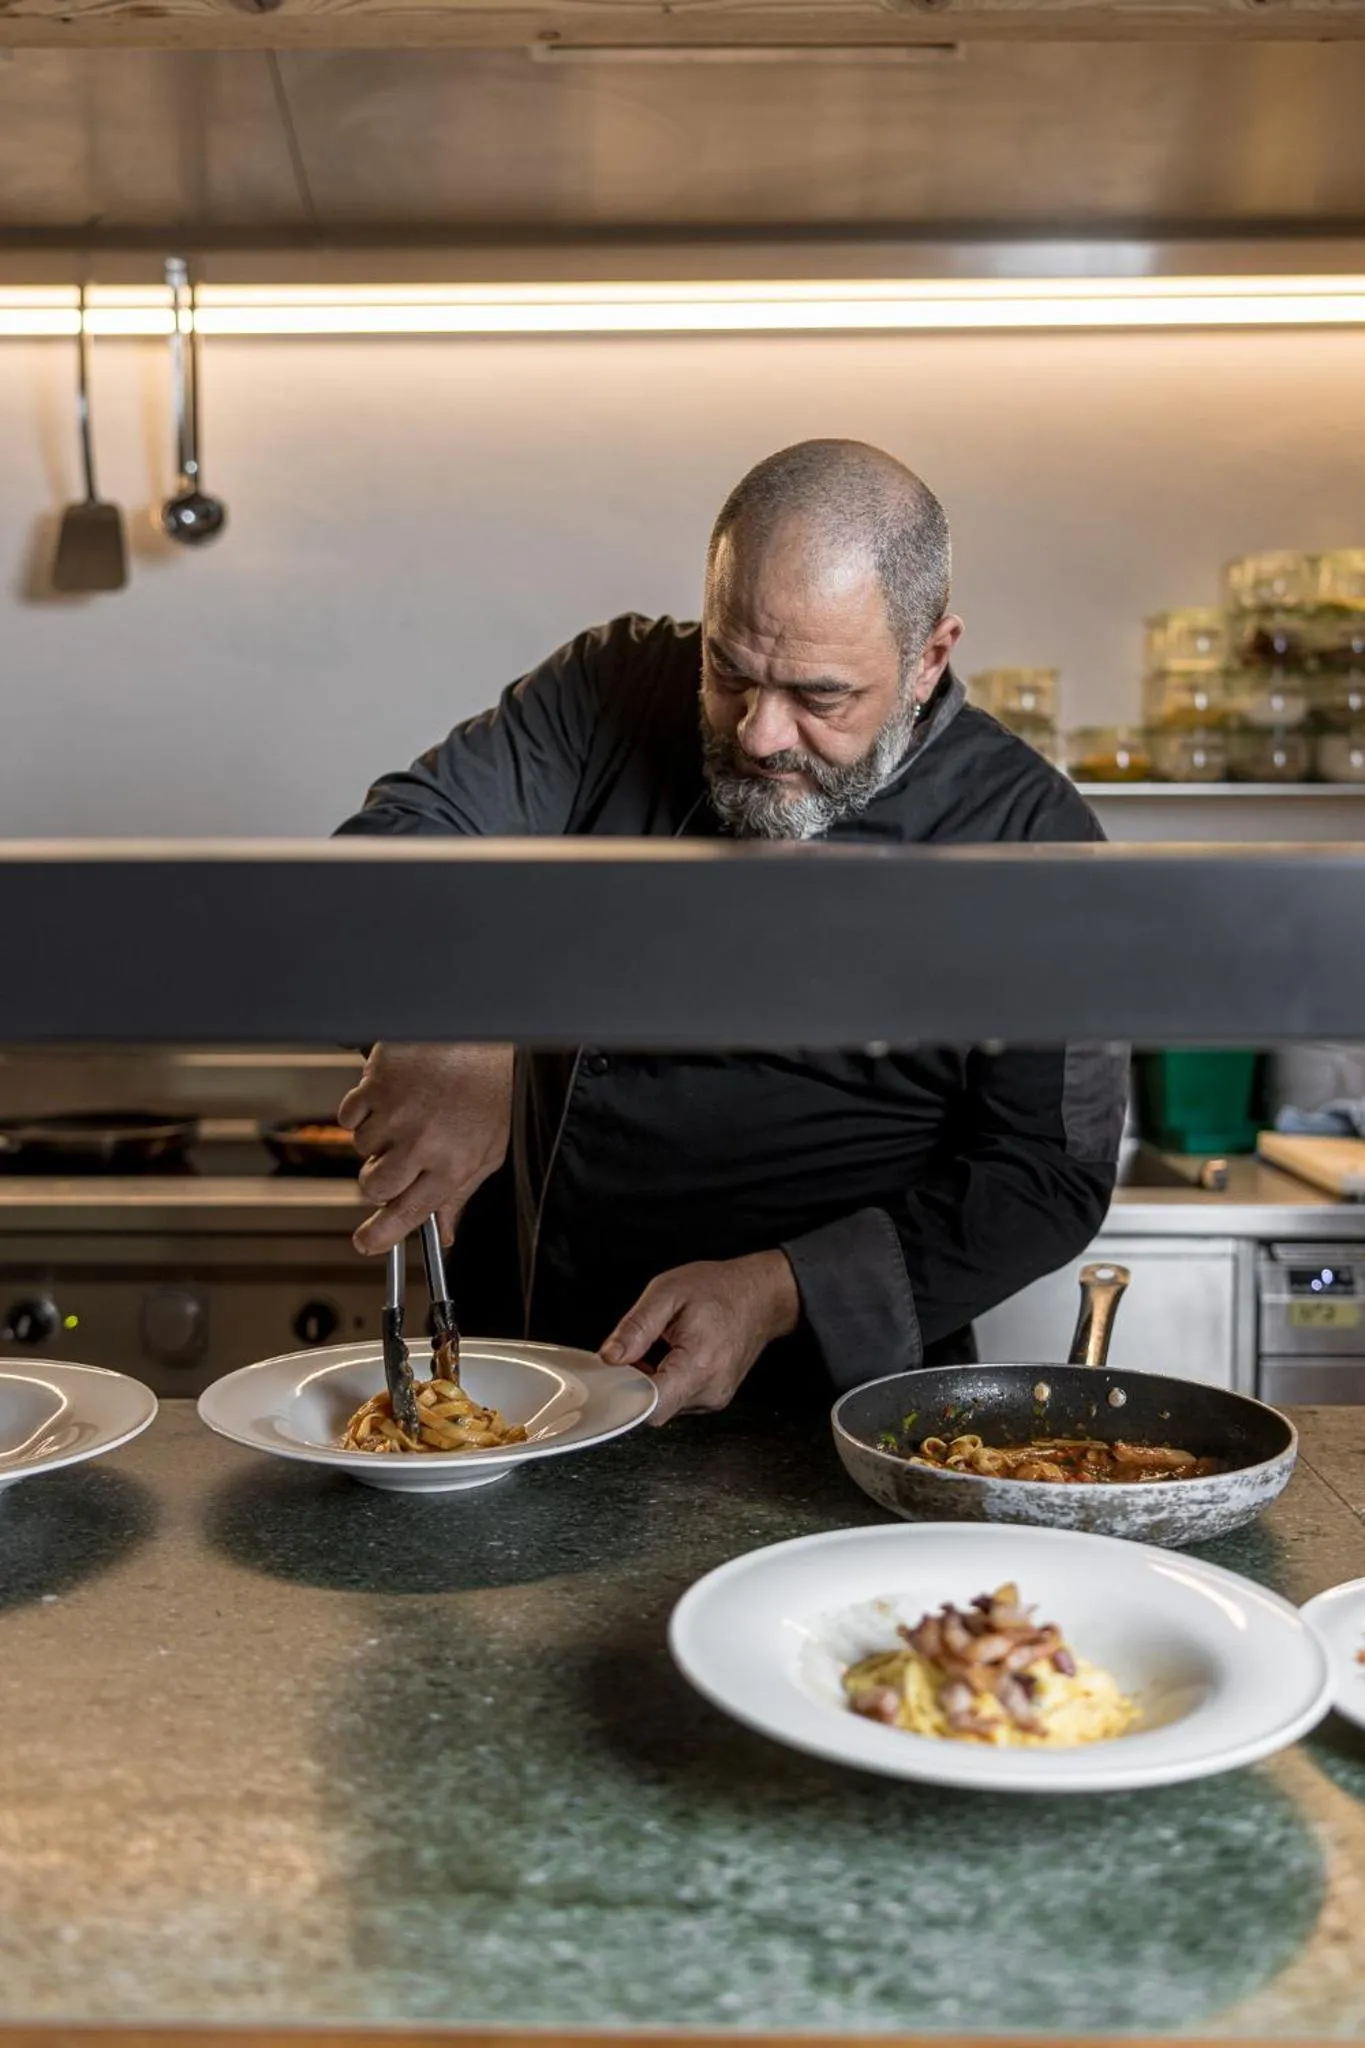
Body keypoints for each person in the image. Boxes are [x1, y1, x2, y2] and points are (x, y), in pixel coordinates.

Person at [335, 439, 1127, 1424]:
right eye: (729, 670)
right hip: (532, 1381)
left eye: (818, 696)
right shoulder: (612, 689)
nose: (758, 731)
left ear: (929, 656)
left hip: (836, 1425)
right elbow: (386, 849)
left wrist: (777, 1289)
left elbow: (1047, 1174)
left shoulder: (1028, 836)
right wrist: (460, 1007)